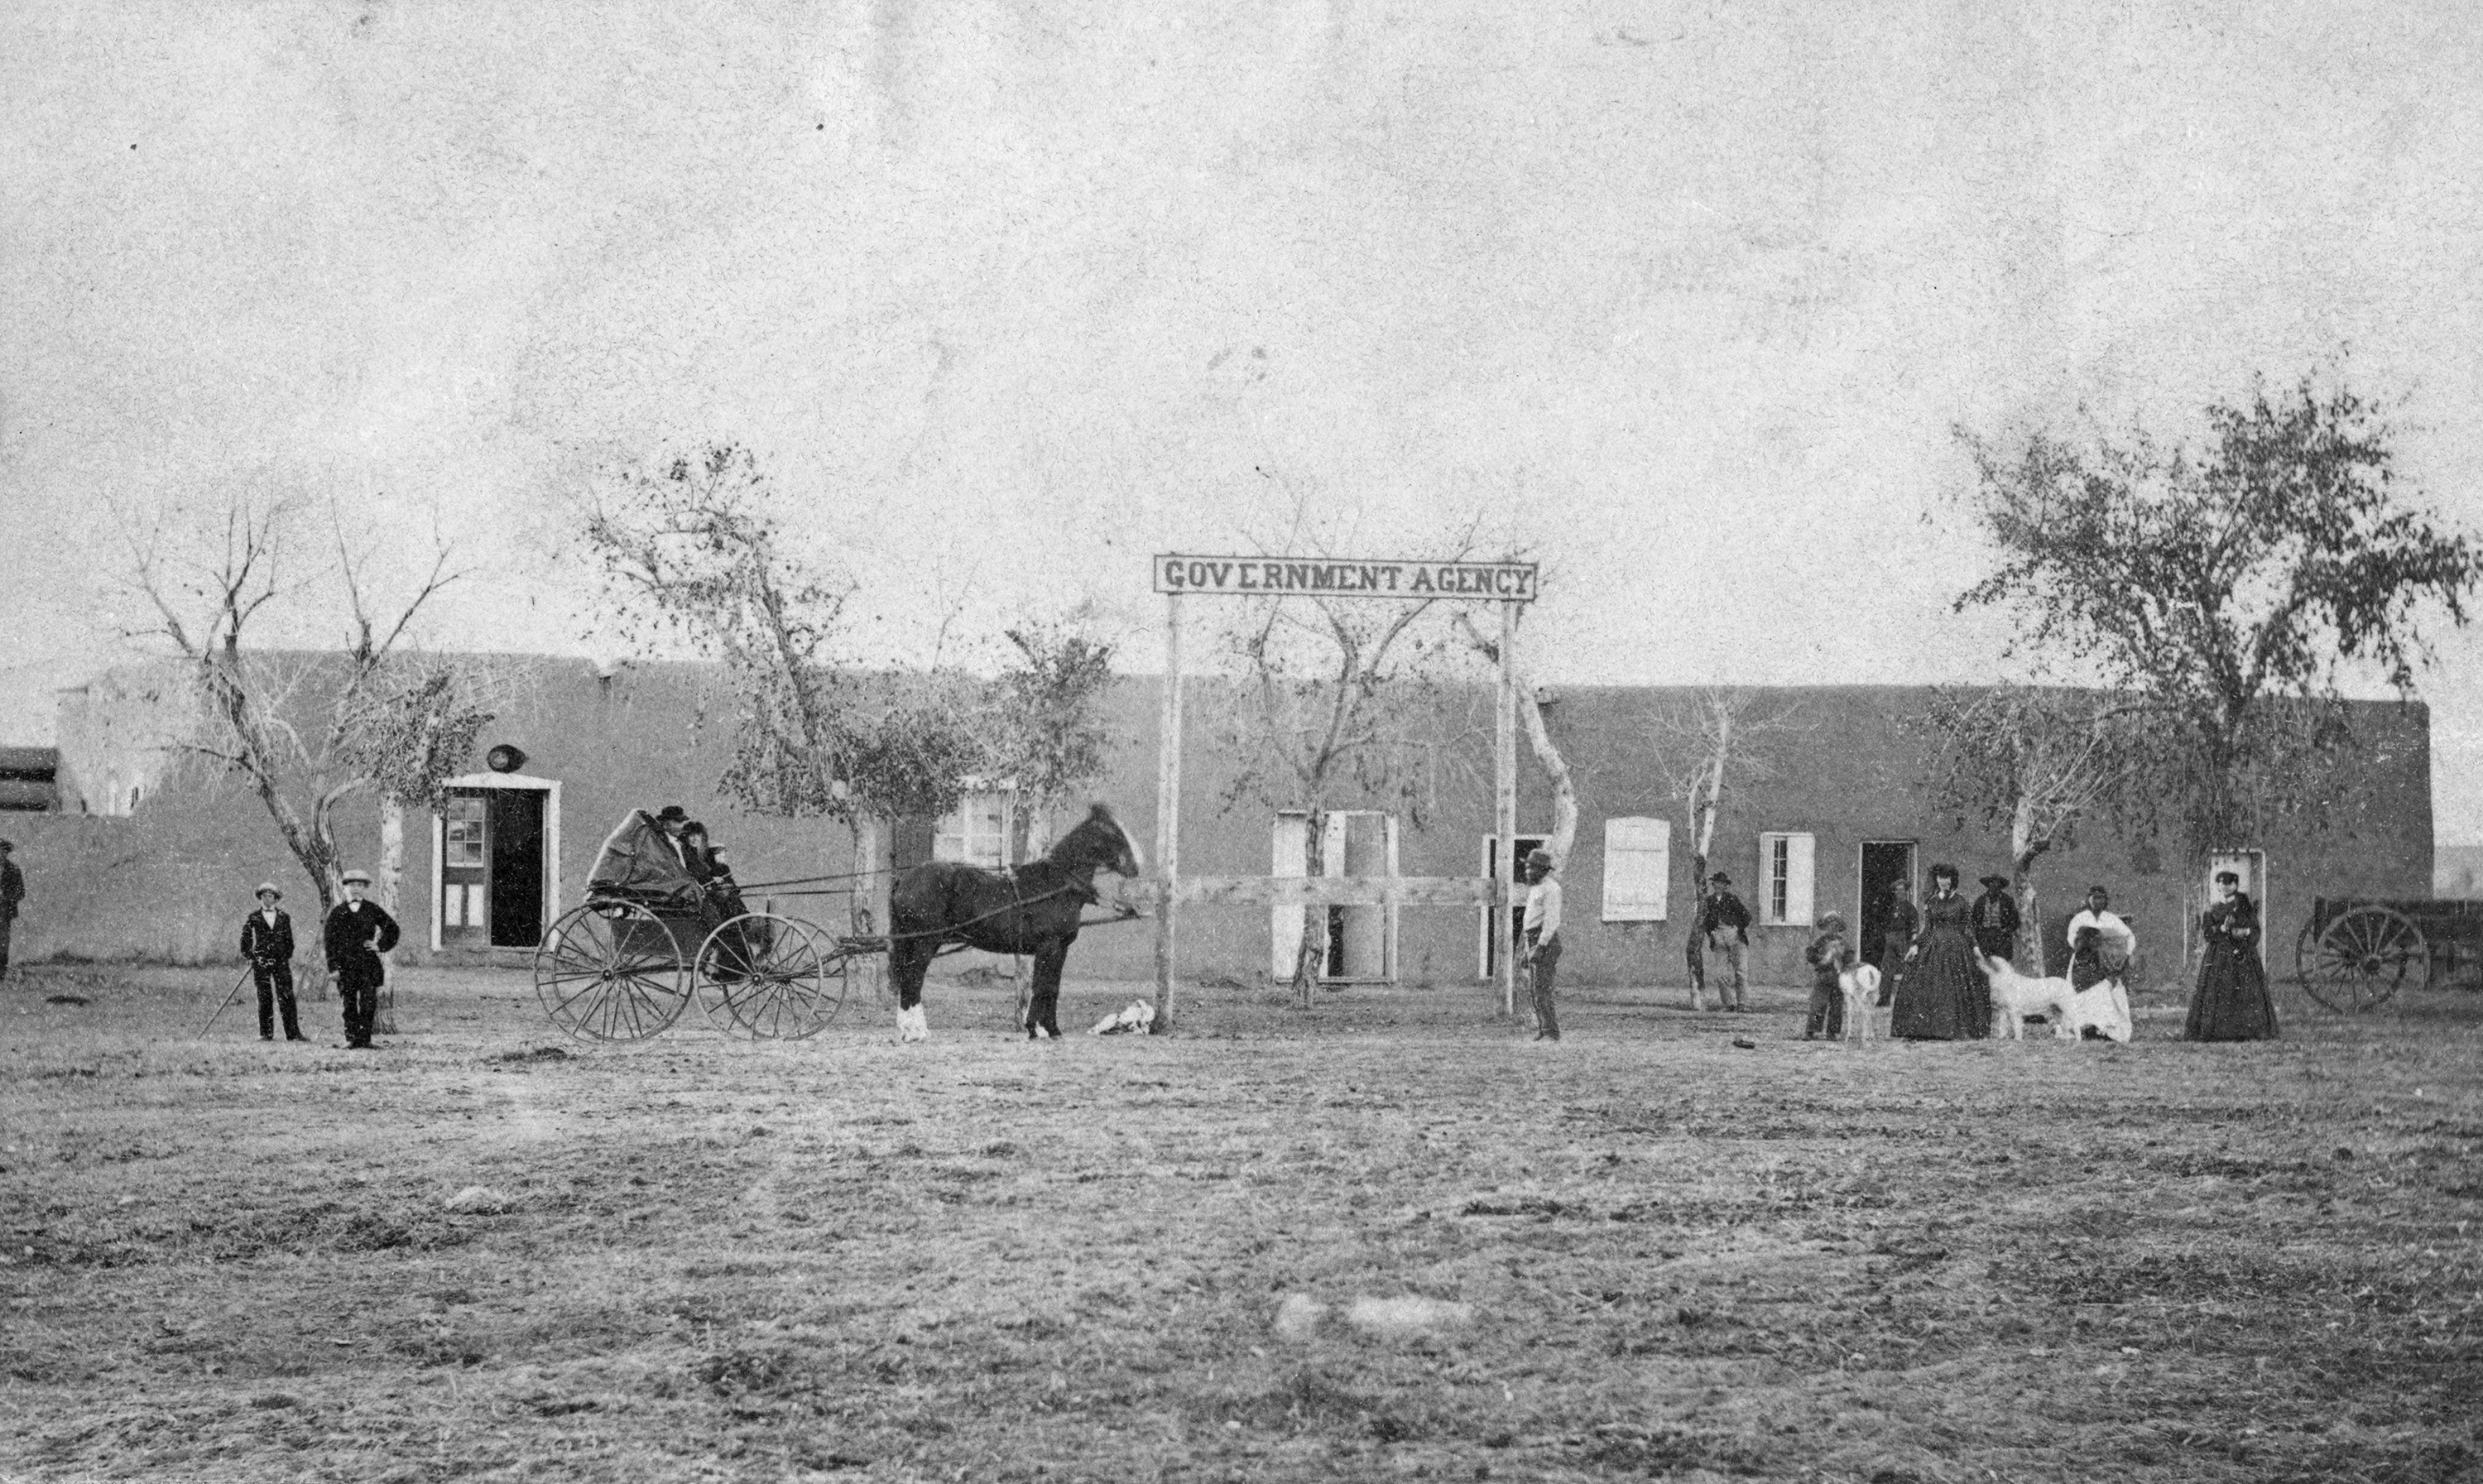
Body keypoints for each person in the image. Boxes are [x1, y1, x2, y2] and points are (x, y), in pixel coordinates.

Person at [1891, 863, 1991, 1040]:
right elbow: (1928, 928)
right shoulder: (1933, 901)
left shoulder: (1961, 902)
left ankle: (1953, 1029)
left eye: (1947, 878)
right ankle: (1925, 1030)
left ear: (1953, 879)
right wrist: (1915, 946)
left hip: (1956, 948)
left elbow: (1967, 927)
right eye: (1940, 878)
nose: (1943, 881)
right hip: (1932, 946)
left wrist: (1975, 947)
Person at [2185, 871, 2278, 1041]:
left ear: (2235, 885)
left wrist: (2245, 931)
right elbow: (2207, 934)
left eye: (2229, 883)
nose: (2225, 887)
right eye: (2221, 883)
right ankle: (2218, 1031)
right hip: (2219, 956)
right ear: (2218, 886)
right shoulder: (2213, 909)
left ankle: (2246, 1031)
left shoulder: (2245, 906)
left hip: (2243, 954)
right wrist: (2220, 929)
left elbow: (2255, 930)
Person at [323, 869, 401, 1049]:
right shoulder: (337, 912)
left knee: (368, 1002)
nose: (356, 889)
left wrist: (379, 946)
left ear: (365, 888)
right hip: (345, 965)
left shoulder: (372, 909)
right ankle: (351, 1039)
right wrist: (333, 968)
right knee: (348, 1003)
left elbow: (392, 929)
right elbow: (330, 943)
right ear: (345, 888)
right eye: (352, 885)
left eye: (360, 885)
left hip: (367, 964)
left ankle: (365, 1039)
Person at [240, 881, 305, 1042]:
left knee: (286, 995)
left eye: (271, 896)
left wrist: (284, 955)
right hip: (261, 961)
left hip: (281, 961)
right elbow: (245, 939)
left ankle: (293, 1034)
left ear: (276, 899)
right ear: (260, 898)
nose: (267, 899)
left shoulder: (284, 917)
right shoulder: (253, 917)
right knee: (264, 996)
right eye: (264, 896)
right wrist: (251, 956)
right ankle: (266, 1034)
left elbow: (289, 940)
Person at [1519, 848, 1563, 1041]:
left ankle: (1551, 1032)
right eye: (1527, 867)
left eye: (1532, 868)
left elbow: (1551, 921)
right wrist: (1527, 949)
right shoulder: (1535, 888)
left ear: (1542, 870)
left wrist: (1541, 946)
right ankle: (1543, 1028)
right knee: (1534, 990)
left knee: (1542, 990)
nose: (1528, 871)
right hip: (1532, 939)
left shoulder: (1551, 889)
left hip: (1545, 940)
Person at [2065, 886, 2136, 994]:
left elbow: (2129, 937)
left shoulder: (2111, 919)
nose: (2098, 902)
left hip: (2108, 962)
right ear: (2089, 900)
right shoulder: (2080, 918)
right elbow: (2072, 939)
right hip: (2085, 961)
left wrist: (2126, 954)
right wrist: (2087, 946)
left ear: (2105, 901)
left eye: (2101, 898)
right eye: (2095, 898)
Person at [1698, 872, 1753, 1011]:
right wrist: (1712, 933)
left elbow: (1746, 916)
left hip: (1735, 937)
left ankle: (1742, 1004)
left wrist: (1737, 928)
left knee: (1740, 971)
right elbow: (1705, 920)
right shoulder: (1709, 901)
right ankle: (1728, 1004)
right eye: (1716, 882)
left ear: (1725, 885)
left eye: (1722, 883)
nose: (1719, 885)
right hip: (1719, 938)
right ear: (1713, 884)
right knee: (1720, 973)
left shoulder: (1732, 899)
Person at [1803, 912, 1853, 1040]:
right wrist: (1823, 958)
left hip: (1838, 977)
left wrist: (1841, 956)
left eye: (1836, 926)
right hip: (1823, 975)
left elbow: (1850, 957)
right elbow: (1810, 955)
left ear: (1839, 928)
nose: (1833, 928)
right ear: (1825, 927)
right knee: (1818, 1004)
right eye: (1830, 925)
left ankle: (1832, 1032)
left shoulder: (1843, 943)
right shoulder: (1820, 941)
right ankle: (1811, 1031)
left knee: (1837, 1006)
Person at [1876, 880, 1919, 1008]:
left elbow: (1914, 927)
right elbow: (1884, 923)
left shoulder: (1910, 908)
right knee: (1886, 969)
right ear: (1894, 892)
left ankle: (1910, 999)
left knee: (1907, 968)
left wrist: (1913, 942)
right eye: (1897, 890)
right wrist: (1887, 936)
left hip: (1903, 940)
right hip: (1890, 939)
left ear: (1906, 892)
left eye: (1902, 890)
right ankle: (1884, 999)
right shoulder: (1890, 907)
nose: (1900, 893)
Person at [1971, 874, 2020, 964]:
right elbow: (1973, 919)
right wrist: (1979, 930)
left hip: (2002, 940)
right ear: (1988, 886)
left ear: (2001, 887)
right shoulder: (1981, 901)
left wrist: (2006, 930)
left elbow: (2015, 921)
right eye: (1992, 885)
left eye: (1998, 885)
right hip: (1984, 938)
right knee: (1984, 966)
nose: (1995, 887)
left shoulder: (2007, 901)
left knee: (2002, 966)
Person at [0, 838, 22, 982]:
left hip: (4, 912)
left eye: (3, 851)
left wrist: (5, 896)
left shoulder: (13, 870)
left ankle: (0, 976)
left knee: (2, 946)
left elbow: (20, 892)